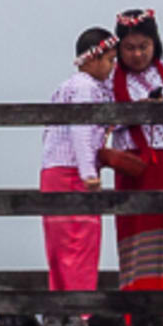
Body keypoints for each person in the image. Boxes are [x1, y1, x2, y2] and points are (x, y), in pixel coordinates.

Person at [97, 8, 163, 303]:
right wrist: (137, 112)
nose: (137, 54)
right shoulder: (108, 78)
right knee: (138, 236)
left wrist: (162, 105)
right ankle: (141, 307)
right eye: (129, 48)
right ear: (118, 48)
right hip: (135, 166)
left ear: (155, 43)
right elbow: (101, 118)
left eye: (144, 46)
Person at [39, 26, 113, 293]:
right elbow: (81, 129)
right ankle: (81, 308)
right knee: (80, 243)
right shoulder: (85, 88)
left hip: (53, 171)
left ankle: (60, 305)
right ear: (93, 59)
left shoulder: (66, 87)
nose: (112, 67)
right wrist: (88, 173)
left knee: (59, 246)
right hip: (73, 172)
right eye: (110, 60)